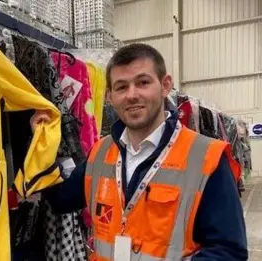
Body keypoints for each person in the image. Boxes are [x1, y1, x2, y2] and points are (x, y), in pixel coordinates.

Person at [31, 43, 248, 260]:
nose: (132, 95)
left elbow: (228, 252)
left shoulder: (206, 157)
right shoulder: (99, 154)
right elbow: (59, 199)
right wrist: (42, 141)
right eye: (121, 87)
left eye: (143, 83)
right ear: (109, 96)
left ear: (165, 85)